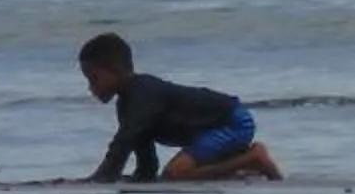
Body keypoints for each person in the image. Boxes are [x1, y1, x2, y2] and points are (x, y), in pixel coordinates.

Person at [78, 31, 284, 182]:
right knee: (176, 174)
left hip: (231, 121)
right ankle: (245, 169)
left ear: (118, 70)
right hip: (211, 128)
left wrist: (100, 178)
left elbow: (122, 144)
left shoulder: (143, 94)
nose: (91, 88)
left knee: (175, 174)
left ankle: (253, 158)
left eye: (95, 79)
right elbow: (146, 162)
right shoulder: (127, 104)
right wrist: (138, 176)